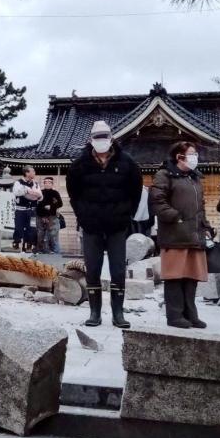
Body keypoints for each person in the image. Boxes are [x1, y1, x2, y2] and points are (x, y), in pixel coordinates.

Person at [66, 120, 143, 328]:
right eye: (97, 138)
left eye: (105, 137)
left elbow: (136, 191)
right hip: (91, 227)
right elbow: (74, 194)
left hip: (117, 226)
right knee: (93, 269)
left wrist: (127, 216)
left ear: (111, 138)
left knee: (118, 270)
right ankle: (94, 312)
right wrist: (83, 217)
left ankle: (118, 313)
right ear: (91, 140)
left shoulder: (127, 163)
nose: (102, 141)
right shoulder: (79, 165)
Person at [149, 142, 211, 329]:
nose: (195, 158)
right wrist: (175, 217)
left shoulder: (194, 178)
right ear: (179, 157)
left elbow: (200, 205)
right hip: (174, 234)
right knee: (175, 276)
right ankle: (174, 315)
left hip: (194, 233)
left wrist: (205, 225)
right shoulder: (164, 175)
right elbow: (157, 201)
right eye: (192, 154)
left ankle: (190, 314)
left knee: (191, 275)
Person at [12, 166, 42, 252]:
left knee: (31, 228)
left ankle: (29, 244)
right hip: (20, 209)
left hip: (32, 210)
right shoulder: (18, 182)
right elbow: (16, 192)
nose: (34, 173)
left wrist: (37, 195)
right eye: (33, 171)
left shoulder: (35, 184)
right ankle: (16, 243)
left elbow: (40, 195)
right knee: (18, 227)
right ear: (27, 173)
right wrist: (27, 190)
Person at [35, 177, 63, 254]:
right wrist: (43, 215)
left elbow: (60, 203)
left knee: (53, 234)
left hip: (52, 216)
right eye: (46, 182)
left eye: (49, 182)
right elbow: (37, 205)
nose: (47, 184)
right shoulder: (40, 192)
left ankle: (54, 250)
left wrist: (51, 206)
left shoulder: (55, 193)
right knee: (40, 233)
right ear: (44, 184)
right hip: (40, 216)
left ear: (52, 184)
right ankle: (40, 250)